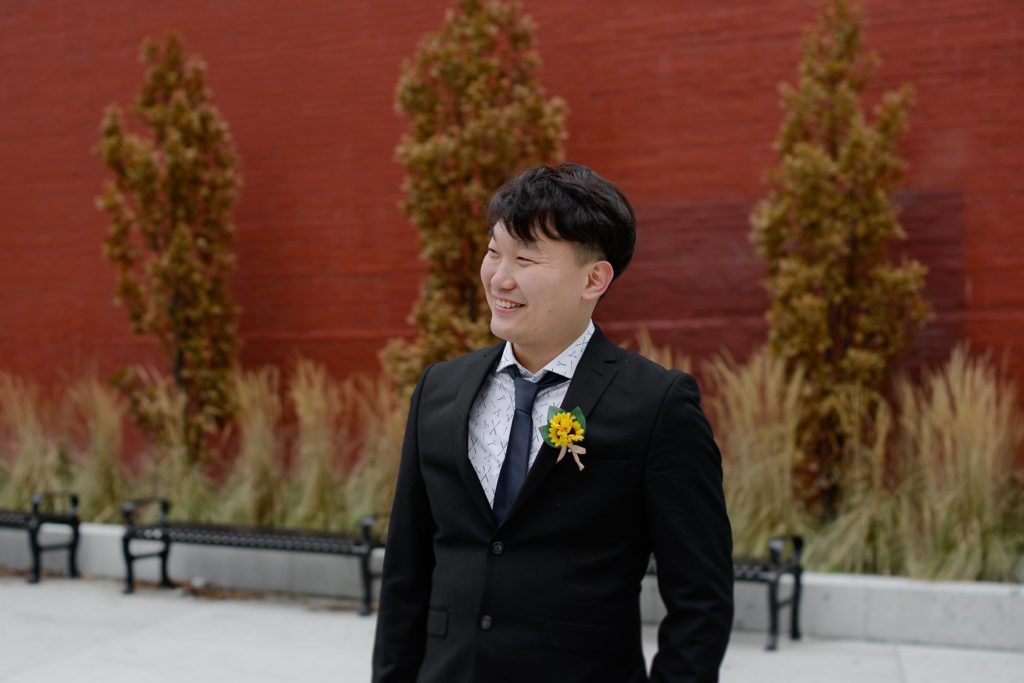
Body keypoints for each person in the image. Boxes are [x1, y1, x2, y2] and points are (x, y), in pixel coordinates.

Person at [372, 163, 733, 683]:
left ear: (594, 278)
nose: (500, 277)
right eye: (494, 251)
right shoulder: (439, 390)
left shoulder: (657, 405)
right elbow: (407, 573)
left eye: (526, 258)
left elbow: (701, 599)